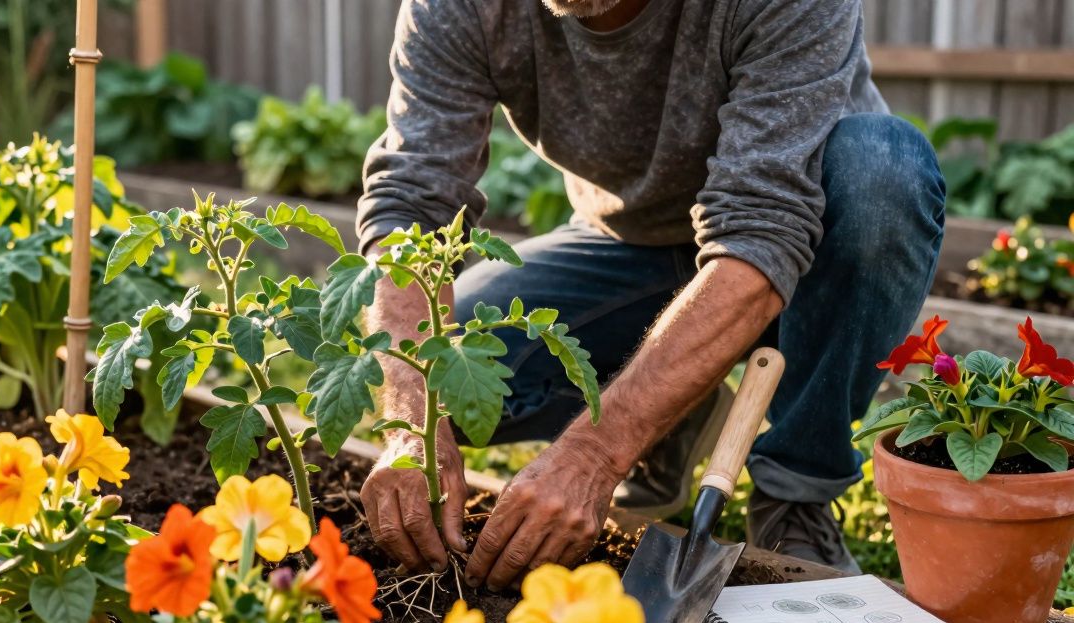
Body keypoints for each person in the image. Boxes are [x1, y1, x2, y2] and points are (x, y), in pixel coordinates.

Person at [356, 0, 945, 590]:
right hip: (628, 246)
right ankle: (673, 420)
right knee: (450, 378)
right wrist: (412, 426)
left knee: (885, 175)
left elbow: (764, 231)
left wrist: (596, 453)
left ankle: (797, 492)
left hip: (815, 241)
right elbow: (410, 209)